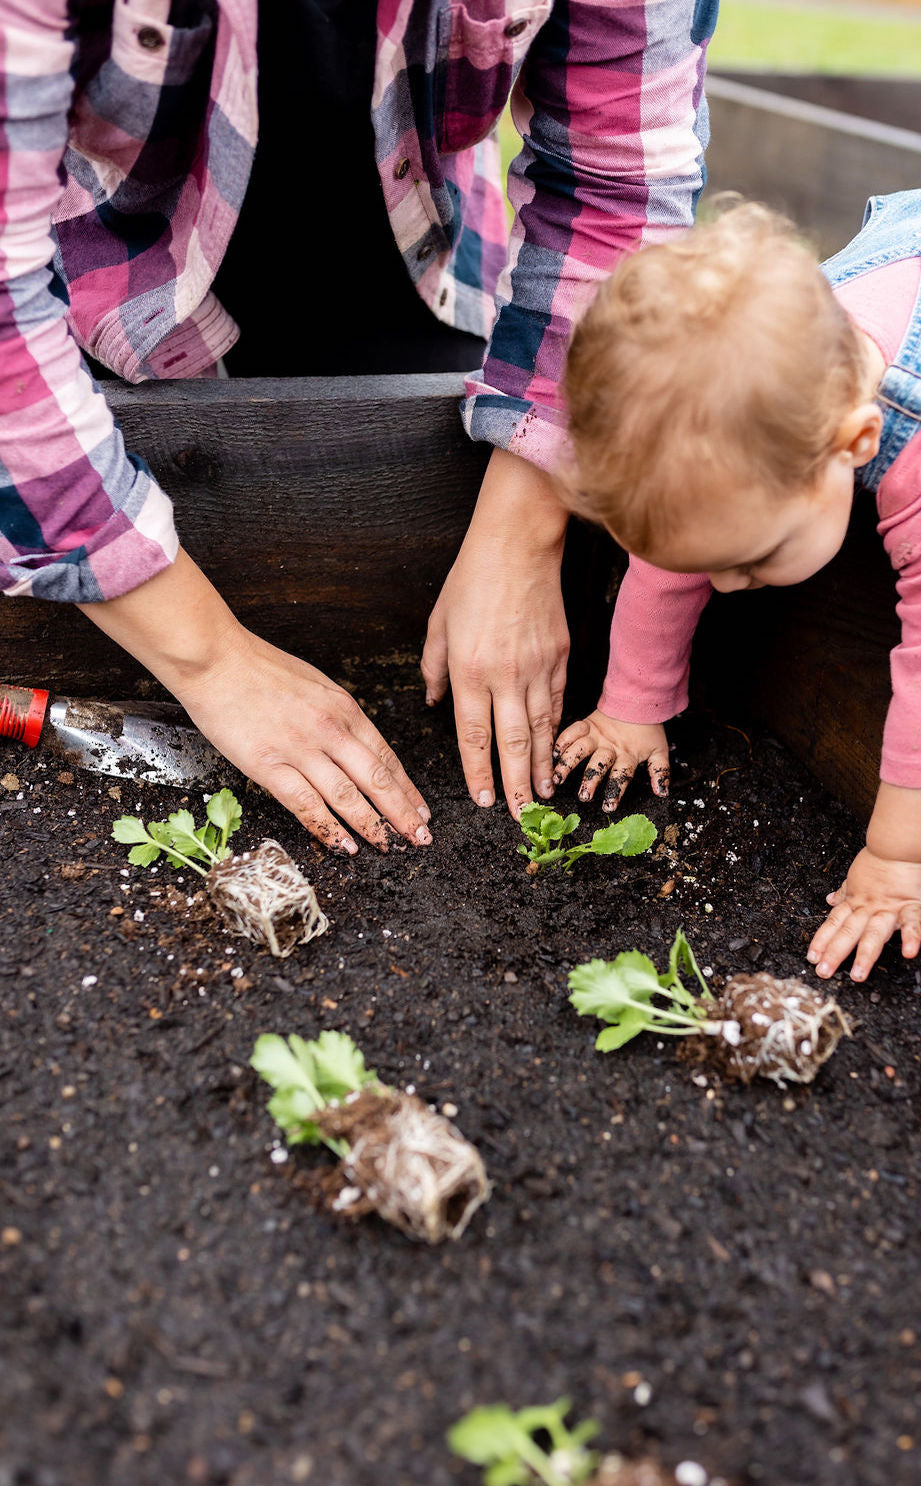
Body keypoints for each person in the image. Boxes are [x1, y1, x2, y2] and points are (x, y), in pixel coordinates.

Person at [0, 0, 715, 852]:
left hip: (428, 256)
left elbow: (619, 188)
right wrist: (212, 661)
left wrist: (522, 529)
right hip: (110, 279)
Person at [552, 187, 921, 983]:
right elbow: (674, 554)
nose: (730, 587)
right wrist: (631, 698)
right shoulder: (750, 403)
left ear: (858, 443)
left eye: (754, 559)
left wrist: (896, 856)